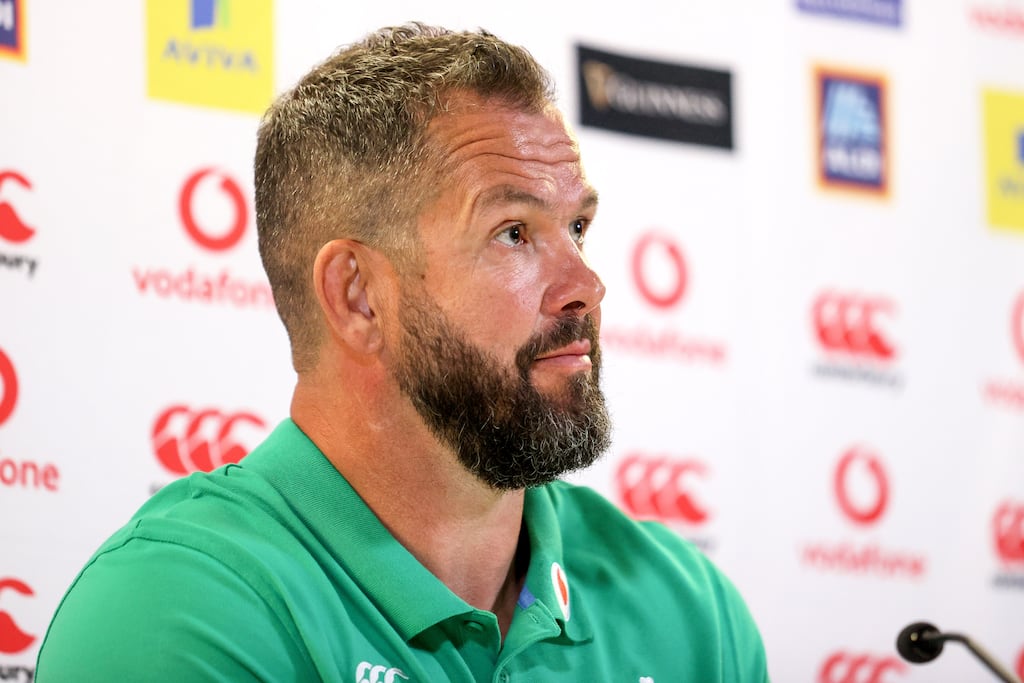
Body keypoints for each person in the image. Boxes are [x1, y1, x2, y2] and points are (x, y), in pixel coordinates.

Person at [36, 23, 769, 681]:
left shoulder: (687, 612)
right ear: (357, 297)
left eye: (576, 227)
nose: (586, 286)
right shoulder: (179, 612)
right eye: (513, 232)